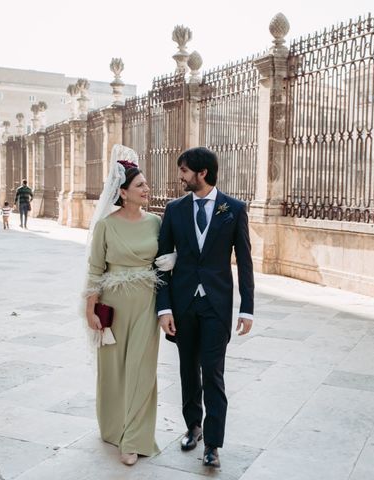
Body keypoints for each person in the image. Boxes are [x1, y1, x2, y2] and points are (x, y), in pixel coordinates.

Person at [156, 147, 255, 469]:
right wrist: (164, 308)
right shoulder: (174, 210)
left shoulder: (234, 209)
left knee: (213, 373)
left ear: (202, 173)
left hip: (216, 304)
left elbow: (245, 262)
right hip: (183, 304)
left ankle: (213, 443)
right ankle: (192, 427)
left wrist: (247, 308)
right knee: (187, 370)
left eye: (184, 170)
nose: (180, 176)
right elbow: (160, 263)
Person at [82, 145, 173, 467]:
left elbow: (167, 264)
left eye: (146, 185)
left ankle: (134, 439)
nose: (147, 189)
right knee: (113, 370)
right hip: (113, 305)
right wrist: (91, 309)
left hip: (147, 302)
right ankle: (113, 427)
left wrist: (171, 262)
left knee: (142, 370)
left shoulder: (157, 223)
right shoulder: (106, 225)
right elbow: (95, 269)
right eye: (140, 186)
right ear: (122, 192)